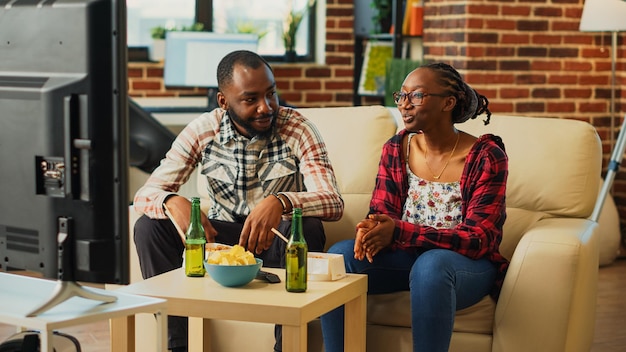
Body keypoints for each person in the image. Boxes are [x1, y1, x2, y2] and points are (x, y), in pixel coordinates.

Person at [133, 50, 344, 352]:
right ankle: (177, 346)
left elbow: (333, 201)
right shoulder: (203, 130)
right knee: (148, 228)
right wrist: (170, 201)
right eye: (251, 99)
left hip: (274, 244)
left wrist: (280, 202)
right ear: (223, 101)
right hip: (221, 246)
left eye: (271, 94)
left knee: (307, 229)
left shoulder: (298, 128)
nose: (266, 107)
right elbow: (146, 193)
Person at [320, 62, 509, 352]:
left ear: (448, 102)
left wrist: (400, 232)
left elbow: (479, 239)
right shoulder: (397, 147)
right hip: (404, 259)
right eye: (401, 96)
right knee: (339, 256)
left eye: (417, 96)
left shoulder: (486, 156)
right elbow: (382, 212)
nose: (404, 105)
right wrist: (372, 229)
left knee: (431, 264)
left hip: (465, 268)